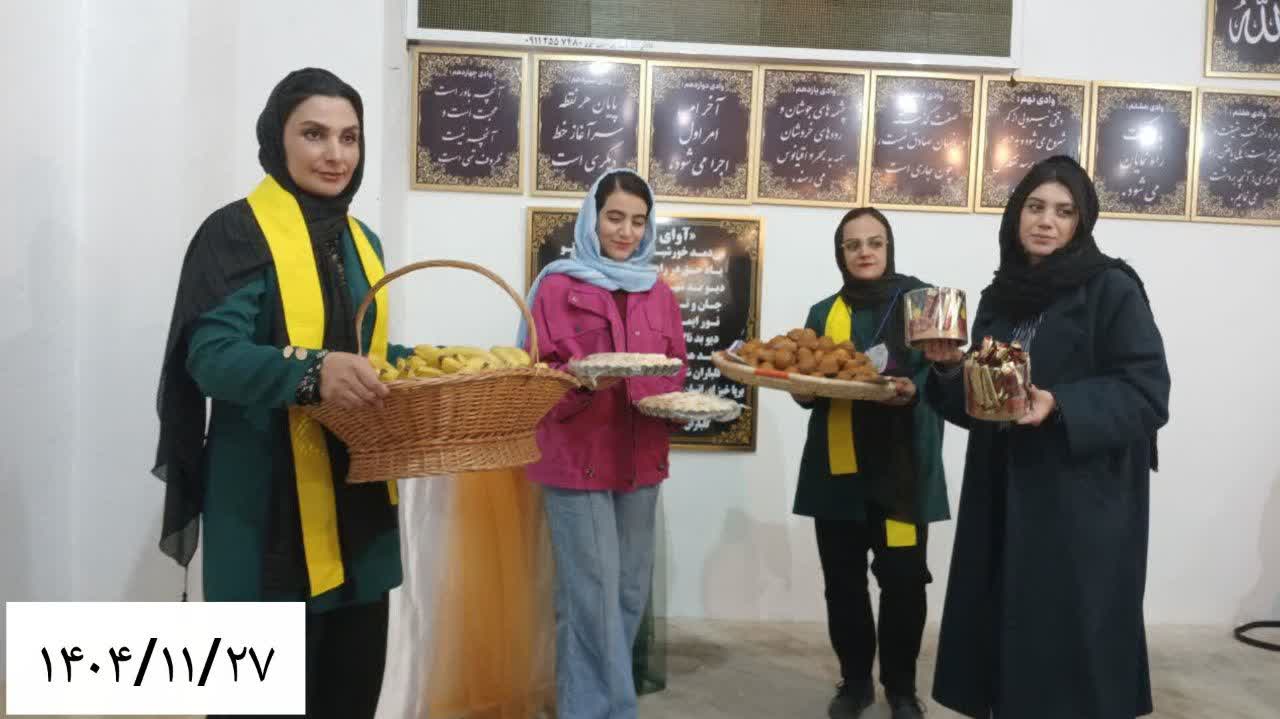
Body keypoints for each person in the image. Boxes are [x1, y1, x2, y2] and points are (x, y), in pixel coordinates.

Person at [152, 68, 410, 719]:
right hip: (267, 512)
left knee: (349, 696)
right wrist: (312, 372)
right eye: (314, 134)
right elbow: (212, 357)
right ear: (277, 138)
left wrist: (427, 368)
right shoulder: (236, 233)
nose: (336, 154)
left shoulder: (363, 241)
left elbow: (363, 352)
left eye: (350, 137)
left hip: (356, 514)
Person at [920, 155, 1170, 718]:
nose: (1046, 221)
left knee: (1071, 642)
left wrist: (1059, 404)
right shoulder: (1000, 296)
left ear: (1082, 222)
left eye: (1064, 211)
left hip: (1079, 501)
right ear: (1016, 214)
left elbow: (1147, 391)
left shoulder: (1111, 289)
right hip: (1004, 493)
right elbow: (983, 403)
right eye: (1035, 207)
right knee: (1009, 631)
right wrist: (948, 369)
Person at [517, 168, 688, 719]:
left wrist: (673, 403)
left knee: (629, 591)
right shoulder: (555, 286)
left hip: (640, 458)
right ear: (591, 218)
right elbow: (531, 377)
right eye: (614, 217)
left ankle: (599, 703)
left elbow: (674, 369)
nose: (626, 232)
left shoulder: (659, 292)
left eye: (638, 221)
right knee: (590, 596)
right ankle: (604, 710)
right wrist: (583, 382)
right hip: (577, 458)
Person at [791, 208, 948, 719]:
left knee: (904, 582)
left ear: (889, 247)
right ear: (840, 253)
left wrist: (912, 389)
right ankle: (855, 682)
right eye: (853, 244)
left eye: (874, 242)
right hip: (837, 472)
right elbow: (809, 379)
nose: (864, 252)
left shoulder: (925, 301)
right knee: (843, 583)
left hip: (902, 472)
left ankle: (901, 689)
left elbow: (943, 374)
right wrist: (800, 391)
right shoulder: (822, 313)